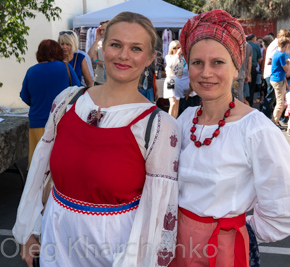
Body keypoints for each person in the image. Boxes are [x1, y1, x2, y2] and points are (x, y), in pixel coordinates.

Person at [13, 11, 180, 267]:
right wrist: (29, 230)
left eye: (136, 48)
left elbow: (157, 211)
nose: (123, 55)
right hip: (54, 240)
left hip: (114, 252)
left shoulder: (158, 125)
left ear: (150, 58)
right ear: (103, 49)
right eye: (116, 45)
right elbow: (39, 171)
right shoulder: (67, 102)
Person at [170, 9, 290, 267]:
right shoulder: (186, 119)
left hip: (221, 247)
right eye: (197, 62)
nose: (206, 72)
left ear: (236, 69)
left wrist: (239, 230)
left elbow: (288, 208)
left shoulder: (256, 129)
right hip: (176, 242)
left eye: (218, 63)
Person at [20, 39, 80, 169]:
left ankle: (37, 189)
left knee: (38, 165)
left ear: (39, 53)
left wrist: (39, 103)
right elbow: (77, 91)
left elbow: (25, 97)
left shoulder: (31, 71)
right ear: (58, 52)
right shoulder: (66, 67)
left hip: (37, 123)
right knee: (61, 162)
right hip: (62, 122)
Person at [261, 29, 290, 119]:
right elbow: (269, 61)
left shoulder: (277, 46)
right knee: (271, 99)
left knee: (275, 100)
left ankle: (275, 119)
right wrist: (284, 62)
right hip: (273, 74)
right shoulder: (276, 45)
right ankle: (266, 119)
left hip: (274, 74)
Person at [270, 35, 290, 130]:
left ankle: (275, 121)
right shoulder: (281, 55)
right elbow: (286, 69)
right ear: (286, 45)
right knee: (280, 103)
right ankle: (273, 123)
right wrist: (289, 63)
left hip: (277, 79)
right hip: (278, 80)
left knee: (280, 102)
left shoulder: (276, 53)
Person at [163, 40, 182, 118]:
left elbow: (181, 72)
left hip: (178, 81)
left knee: (177, 103)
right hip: (170, 80)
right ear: (171, 48)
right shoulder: (168, 57)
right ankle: (169, 121)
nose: (176, 49)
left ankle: (175, 120)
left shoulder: (181, 59)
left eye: (178, 47)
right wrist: (177, 55)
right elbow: (171, 65)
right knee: (173, 103)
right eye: (174, 48)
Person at [87, 20, 109, 85]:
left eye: (104, 30)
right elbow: (88, 57)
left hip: (110, 82)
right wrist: (96, 40)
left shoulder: (116, 45)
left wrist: (97, 61)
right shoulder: (98, 43)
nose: (101, 32)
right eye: (101, 30)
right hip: (98, 80)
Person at [246, 34, 262, 107]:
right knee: (251, 87)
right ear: (253, 39)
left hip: (241, 68)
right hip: (252, 68)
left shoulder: (243, 45)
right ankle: (249, 103)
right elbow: (259, 59)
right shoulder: (256, 46)